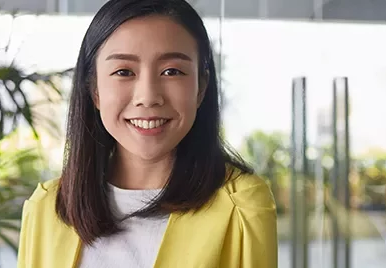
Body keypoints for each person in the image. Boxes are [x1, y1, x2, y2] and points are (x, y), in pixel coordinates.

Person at [16, 0, 277, 267]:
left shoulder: (242, 205)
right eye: (124, 72)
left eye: (172, 71)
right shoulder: (45, 208)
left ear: (201, 87)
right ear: (94, 89)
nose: (148, 97)